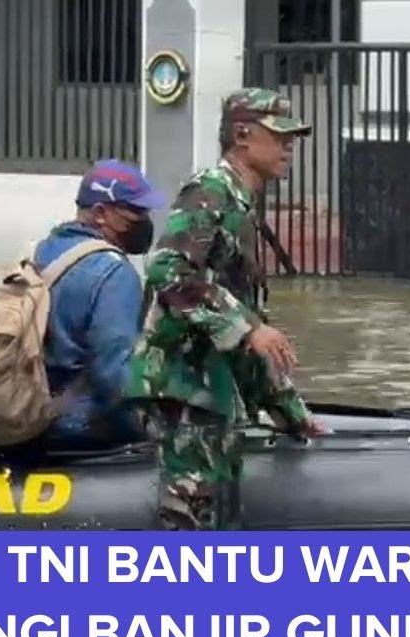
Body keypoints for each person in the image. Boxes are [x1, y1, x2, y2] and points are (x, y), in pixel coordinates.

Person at [129, 87, 323, 531]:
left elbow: (246, 328)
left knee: (223, 516)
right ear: (242, 135)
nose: (289, 147)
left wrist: (291, 413)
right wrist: (247, 327)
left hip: (213, 390)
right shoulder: (210, 190)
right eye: (280, 136)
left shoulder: (241, 201)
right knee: (191, 520)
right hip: (183, 387)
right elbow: (168, 271)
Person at [21, 159, 164, 448]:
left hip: (28, 413)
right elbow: (114, 374)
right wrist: (156, 427)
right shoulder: (114, 273)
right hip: (78, 427)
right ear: (100, 213)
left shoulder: (40, 252)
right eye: (135, 212)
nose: (144, 221)